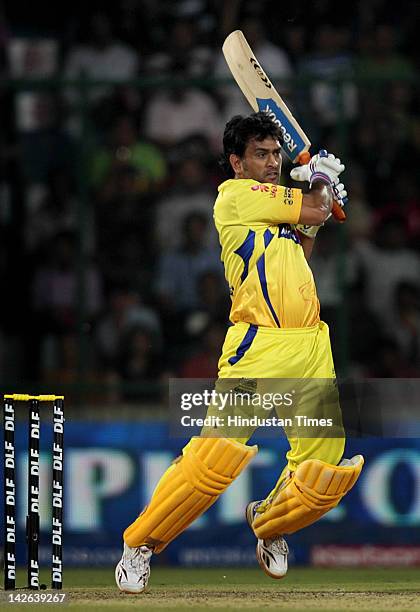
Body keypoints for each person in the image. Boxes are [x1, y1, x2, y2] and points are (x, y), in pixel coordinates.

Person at [115, 112, 364, 593]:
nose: (273, 162)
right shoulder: (234, 197)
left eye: (276, 153)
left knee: (326, 472)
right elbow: (312, 209)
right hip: (258, 346)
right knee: (215, 458)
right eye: (261, 155)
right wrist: (320, 185)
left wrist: (319, 197)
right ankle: (140, 544)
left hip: (311, 344)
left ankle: (270, 525)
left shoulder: (275, 208)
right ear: (237, 162)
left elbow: (301, 248)